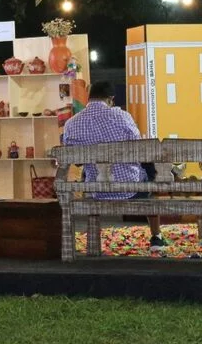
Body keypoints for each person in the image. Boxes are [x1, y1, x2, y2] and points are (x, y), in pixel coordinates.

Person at [61, 81, 163, 251]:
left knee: (90, 171)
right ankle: (156, 237)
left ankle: (93, 241)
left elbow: (76, 160)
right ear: (110, 99)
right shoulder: (122, 117)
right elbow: (139, 151)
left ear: (89, 97)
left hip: (96, 190)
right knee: (151, 171)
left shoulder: (72, 123)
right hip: (130, 188)